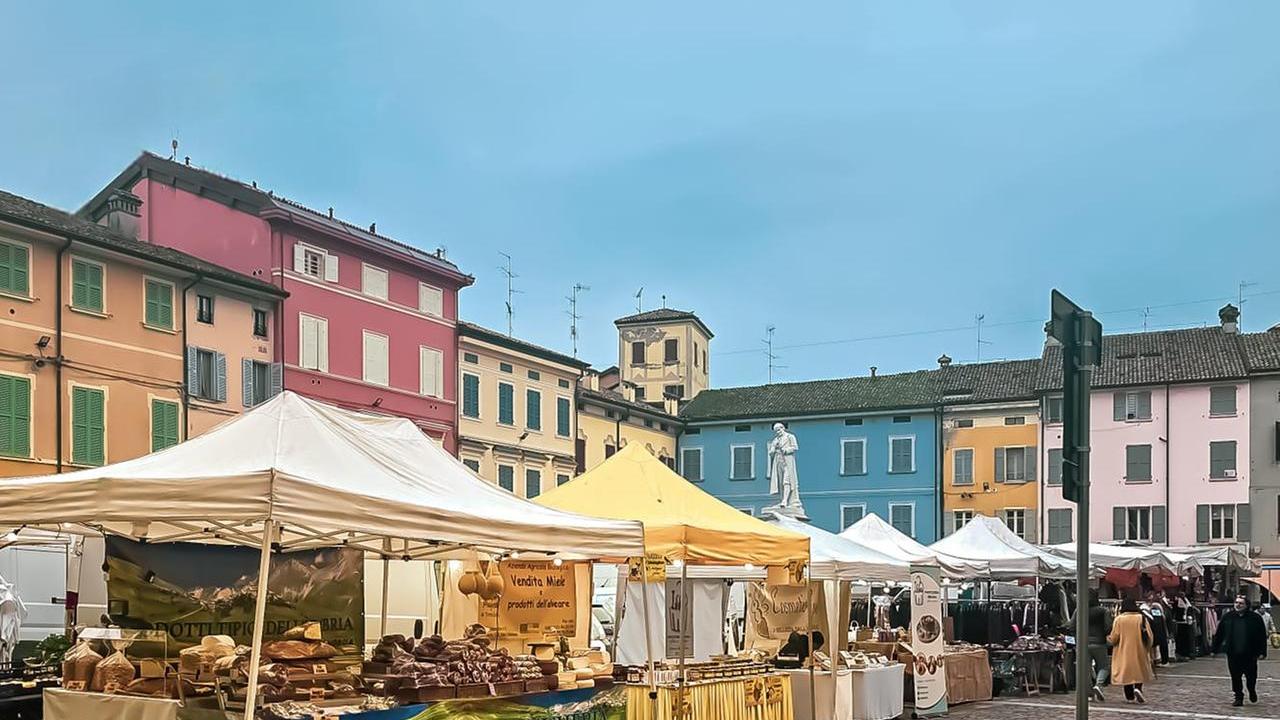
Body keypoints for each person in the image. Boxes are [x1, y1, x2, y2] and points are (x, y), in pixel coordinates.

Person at [1213, 595, 1268, 706]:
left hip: (1250, 654)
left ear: (1246, 605)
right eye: (1236, 603)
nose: (1237, 605)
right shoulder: (1228, 617)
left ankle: (1251, 690)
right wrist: (1214, 649)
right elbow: (1219, 634)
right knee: (1235, 676)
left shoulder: (1255, 618)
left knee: (1251, 676)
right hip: (1233, 653)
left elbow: (1262, 635)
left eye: (1241, 603)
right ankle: (1238, 696)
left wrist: (1263, 652)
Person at [1108, 596, 1154, 704]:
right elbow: (1149, 636)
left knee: (1126, 674)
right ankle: (1138, 689)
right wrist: (1147, 648)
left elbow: (1114, 637)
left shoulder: (1119, 619)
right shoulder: (1141, 618)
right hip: (1140, 649)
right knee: (1139, 671)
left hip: (1123, 651)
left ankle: (1130, 697)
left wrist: (1109, 640)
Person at [1086, 589, 1113, 702]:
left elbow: (1071, 625)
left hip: (1084, 643)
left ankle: (1089, 693)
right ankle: (1099, 684)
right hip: (1099, 642)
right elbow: (1108, 627)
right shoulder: (1104, 610)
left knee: (1085, 669)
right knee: (1104, 666)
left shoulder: (1080, 610)